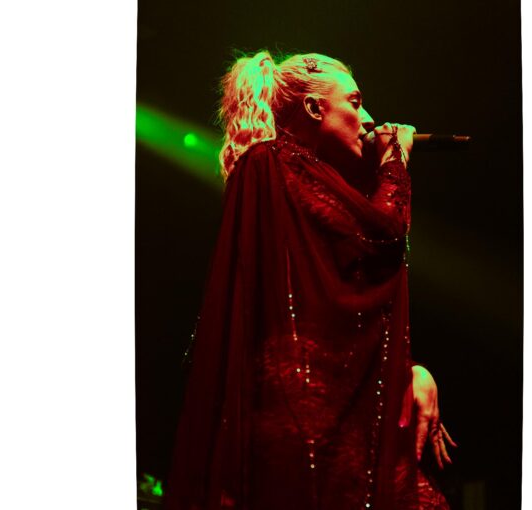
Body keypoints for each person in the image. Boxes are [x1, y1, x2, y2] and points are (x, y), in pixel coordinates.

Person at [165, 51, 456, 510]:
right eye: (355, 102)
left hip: (329, 414)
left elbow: (341, 299)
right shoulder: (272, 163)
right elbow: (380, 240)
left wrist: (409, 370)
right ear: (315, 108)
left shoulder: (307, 176)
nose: (369, 119)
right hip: (301, 422)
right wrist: (395, 159)